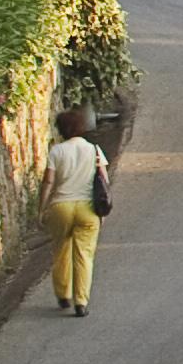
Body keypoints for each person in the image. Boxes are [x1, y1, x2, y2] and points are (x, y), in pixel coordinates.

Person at [40, 118, 113, 314]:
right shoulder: (94, 150)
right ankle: (81, 302)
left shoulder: (56, 151)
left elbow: (48, 182)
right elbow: (104, 180)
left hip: (61, 207)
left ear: (61, 130)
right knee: (84, 255)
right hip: (87, 209)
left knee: (61, 251)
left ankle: (63, 295)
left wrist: (42, 207)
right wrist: (103, 210)